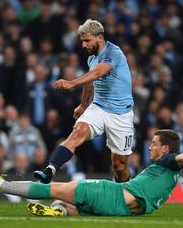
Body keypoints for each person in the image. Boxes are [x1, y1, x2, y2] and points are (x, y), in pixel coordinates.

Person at [0, 130, 183, 216]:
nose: (150, 147)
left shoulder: (169, 160)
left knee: (54, 189)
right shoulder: (168, 173)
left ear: (165, 148)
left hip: (115, 195)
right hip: (124, 209)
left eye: (154, 144)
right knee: (64, 202)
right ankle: (58, 212)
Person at [34, 19, 134, 183]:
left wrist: (71, 83)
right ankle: (50, 170)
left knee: (119, 165)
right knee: (77, 133)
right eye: (82, 41)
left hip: (121, 114)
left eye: (87, 40)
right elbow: (90, 82)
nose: (84, 45)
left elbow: (97, 74)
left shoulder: (113, 53)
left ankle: (126, 193)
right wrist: (83, 105)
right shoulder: (91, 59)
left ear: (100, 38)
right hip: (98, 108)